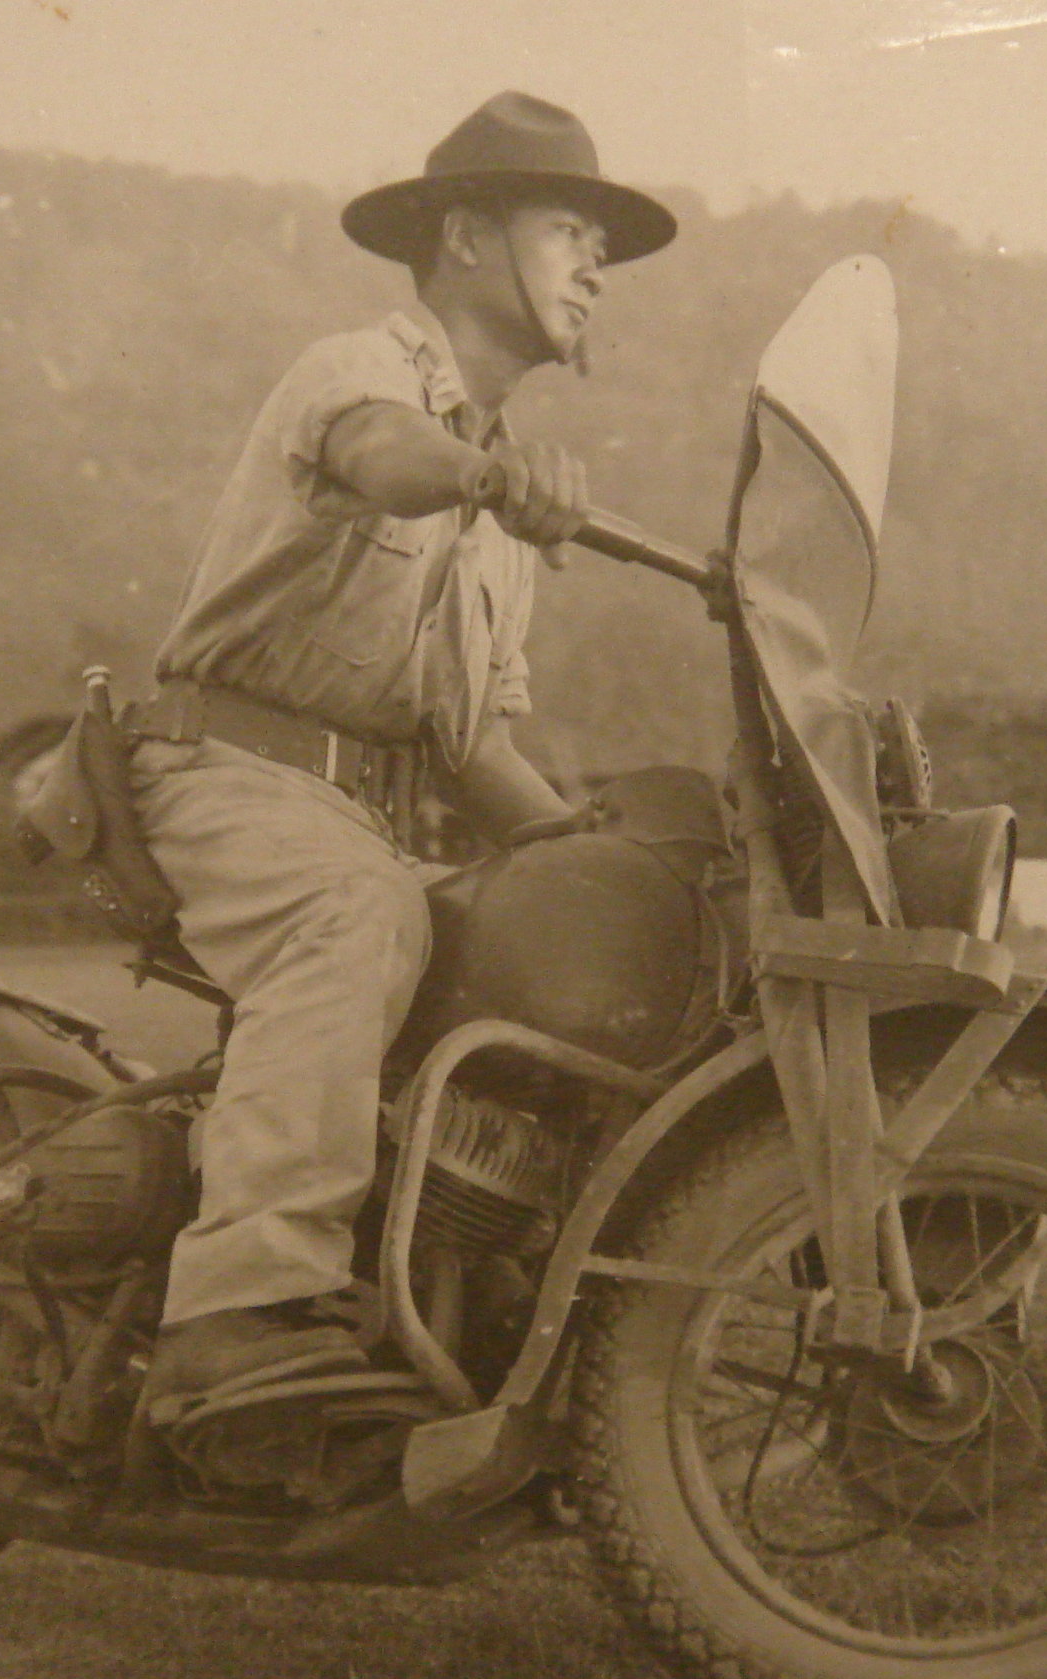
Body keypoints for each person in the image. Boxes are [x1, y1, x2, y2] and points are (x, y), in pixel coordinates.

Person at [124, 92, 676, 1443]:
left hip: (358, 811)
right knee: (357, 915)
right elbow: (382, 454)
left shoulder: (496, 509)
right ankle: (232, 1315)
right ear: (469, 239)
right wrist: (486, 481)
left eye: (603, 239)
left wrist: (607, 861)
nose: (596, 264)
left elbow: (472, 738)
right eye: (570, 229)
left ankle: (477, 1317)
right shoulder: (355, 374)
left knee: (535, 957)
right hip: (227, 774)